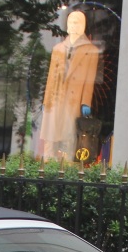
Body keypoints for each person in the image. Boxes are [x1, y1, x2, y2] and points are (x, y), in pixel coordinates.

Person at [39, 10, 100, 162]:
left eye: (76, 22)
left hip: (74, 97)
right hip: (56, 97)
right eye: (71, 22)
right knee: (51, 133)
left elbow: (89, 79)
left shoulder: (91, 51)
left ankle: (67, 165)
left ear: (83, 25)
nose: (73, 26)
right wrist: (46, 100)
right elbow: (51, 77)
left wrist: (85, 101)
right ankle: (47, 163)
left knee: (70, 134)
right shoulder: (58, 48)